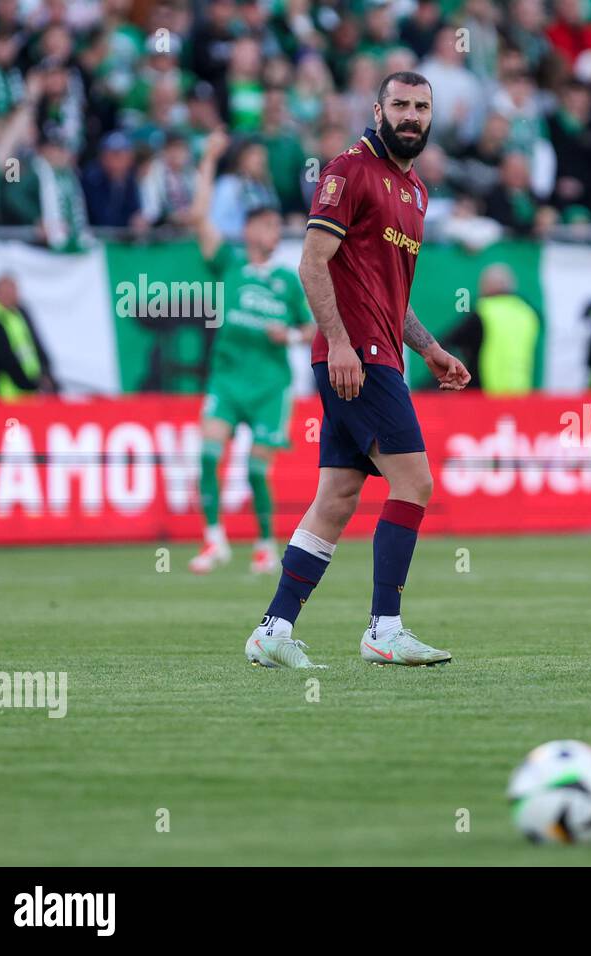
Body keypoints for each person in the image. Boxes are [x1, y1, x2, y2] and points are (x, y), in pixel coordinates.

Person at [246, 71, 471, 670]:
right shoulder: (348, 170)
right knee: (415, 484)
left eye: (421, 108)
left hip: (381, 352)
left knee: (338, 497)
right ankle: (384, 629)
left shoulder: (417, 192)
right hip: (358, 358)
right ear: (377, 109)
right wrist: (341, 343)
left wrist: (428, 348)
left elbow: (391, 296)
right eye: (400, 104)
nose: (411, 116)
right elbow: (311, 263)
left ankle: (274, 629)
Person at [188, 128, 315, 576]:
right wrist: (208, 161)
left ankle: (265, 545)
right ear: (247, 230)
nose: (268, 230)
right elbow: (200, 218)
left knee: (258, 471)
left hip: (269, 384)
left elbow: (312, 327)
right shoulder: (231, 266)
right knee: (206, 455)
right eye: (261, 224)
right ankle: (214, 540)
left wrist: (293, 337)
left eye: (272, 225)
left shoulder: (287, 280)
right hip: (227, 376)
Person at [444, 264, 541, 394]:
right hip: (520, 391)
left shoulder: (483, 311)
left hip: (484, 392)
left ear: (486, 286)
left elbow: (448, 342)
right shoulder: (528, 313)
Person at [0, 274, 58, 400]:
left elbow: (35, 345)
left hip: (20, 397)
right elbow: (4, 359)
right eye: (8, 292)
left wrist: (44, 373)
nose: (13, 295)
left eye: (14, 291)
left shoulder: (18, 314)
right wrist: (30, 385)